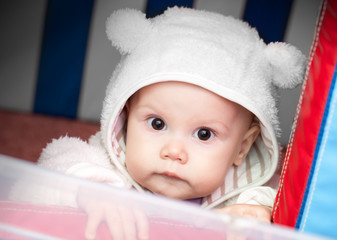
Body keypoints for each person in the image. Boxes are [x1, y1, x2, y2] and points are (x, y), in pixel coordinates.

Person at [10, 7, 306, 240]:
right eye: (157, 124)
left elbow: (286, 203)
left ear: (242, 148)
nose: (173, 151)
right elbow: (32, 185)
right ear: (125, 118)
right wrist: (90, 192)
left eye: (204, 134)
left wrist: (259, 213)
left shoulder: (247, 194)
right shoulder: (102, 165)